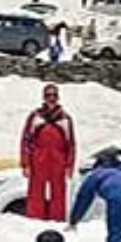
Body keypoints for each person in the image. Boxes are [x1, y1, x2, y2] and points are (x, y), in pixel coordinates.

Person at [20, 84, 76, 222]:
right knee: (35, 191)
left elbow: (71, 144)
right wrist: (25, 163)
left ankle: (56, 221)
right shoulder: (35, 116)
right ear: (43, 97)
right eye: (48, 95)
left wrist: (70, 165)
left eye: (54, 95)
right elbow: (26, 140)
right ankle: (34, 220)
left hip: (58, 159)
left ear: (58, 97)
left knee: (58, 192)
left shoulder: (65, 118)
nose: (51, 98)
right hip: (38, 158)